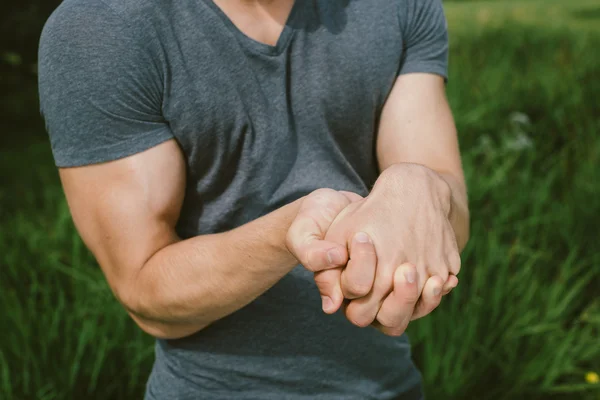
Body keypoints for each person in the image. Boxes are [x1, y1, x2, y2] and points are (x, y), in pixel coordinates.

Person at [38, 0, 469, 398]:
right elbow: (146, 291)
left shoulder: (397, 7)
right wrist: (290, 233)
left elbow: (450, 213)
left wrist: (419, 185)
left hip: (390, 386)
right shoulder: (102, 28)